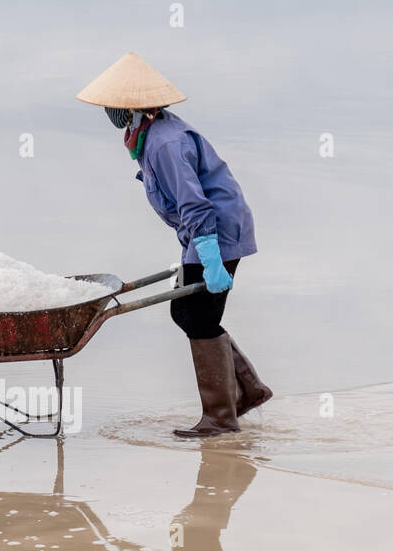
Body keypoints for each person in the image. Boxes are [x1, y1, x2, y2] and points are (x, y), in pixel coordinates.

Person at [76, 52, 272, 436]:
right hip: (203, 233)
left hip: (217, 231)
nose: (110, 115)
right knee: (187, 313)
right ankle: (248, 391)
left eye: (113, 109)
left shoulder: (165, 144)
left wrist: (212, 259)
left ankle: (221, 417)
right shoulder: (149, 136)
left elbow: (194, 204)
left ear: (134, 109)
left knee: (199, 318)